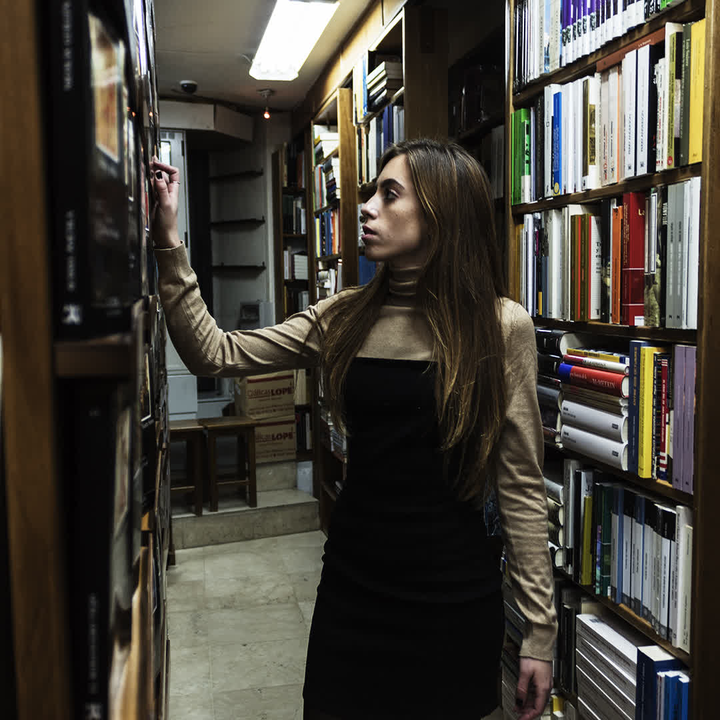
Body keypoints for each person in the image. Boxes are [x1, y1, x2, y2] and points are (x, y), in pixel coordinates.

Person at [151, 138, 556, 720]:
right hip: (354, 589)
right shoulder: (342, 316)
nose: (367, 207)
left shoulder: (499, 326)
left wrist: (539, 633)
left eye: (390, 196)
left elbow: (519, 486)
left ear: (441, 212)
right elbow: (214, 353)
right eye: (370, 194)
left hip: (453, 598)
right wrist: (168, 240)